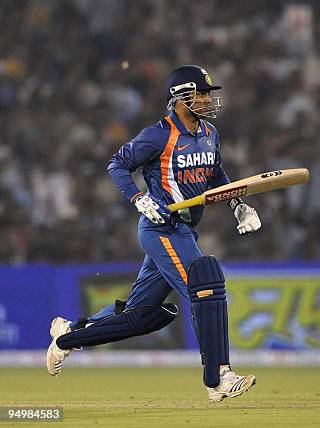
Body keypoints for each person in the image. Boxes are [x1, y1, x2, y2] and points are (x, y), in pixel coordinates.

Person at [46, 65, 261, 402]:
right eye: (200, 93)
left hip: (185, 229)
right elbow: (117, 165)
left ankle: (69, 335)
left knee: (139, 314)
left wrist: (237, 205)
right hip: (160, 228)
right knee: (204, 284)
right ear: (179, 98)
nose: (207, 99)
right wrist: (139, 198)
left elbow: (217, 175)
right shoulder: (158, 135)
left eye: (208, 93)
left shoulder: (209, 133)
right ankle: (218, 377)